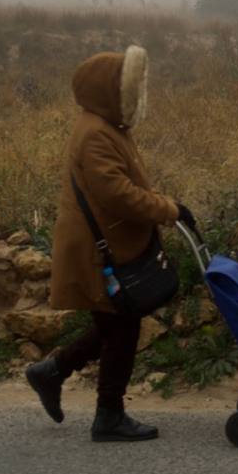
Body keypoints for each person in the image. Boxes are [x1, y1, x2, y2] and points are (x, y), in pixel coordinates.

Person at [25, 45, 197, 442]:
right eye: (127, 90)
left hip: (106, 245)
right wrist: (169, 209)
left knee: (115, 325)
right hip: (98, 251)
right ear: (108, 91)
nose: (135, 98)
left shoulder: (103, 127)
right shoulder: (96, 135)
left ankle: (53, 372)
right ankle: (108, 415)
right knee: (121, 329)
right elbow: (117, 193)